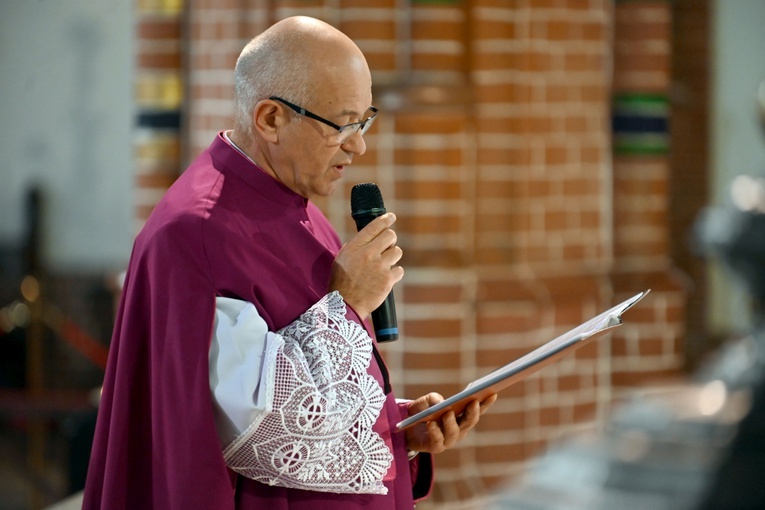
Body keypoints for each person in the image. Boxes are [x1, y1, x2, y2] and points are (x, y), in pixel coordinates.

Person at [83, 16, 496, 509]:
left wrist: (397, 426)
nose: (358, 144)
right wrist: (347, 303)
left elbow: (294, 389)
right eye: (343, 123)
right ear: (271, 119)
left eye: (365, 119)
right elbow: (258, 433)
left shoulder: (295, 205)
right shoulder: (196, 235)